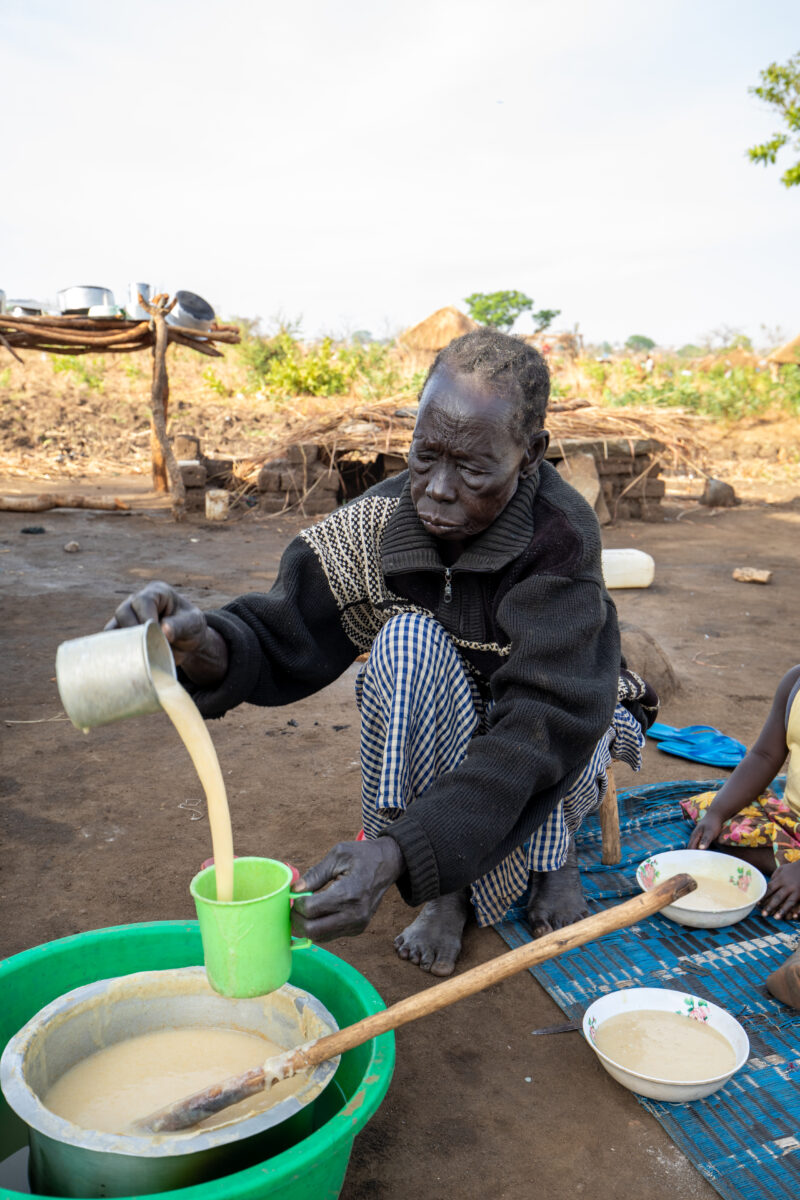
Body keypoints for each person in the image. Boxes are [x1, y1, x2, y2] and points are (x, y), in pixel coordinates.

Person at [107, 329, 656, 976]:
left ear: (530, 454)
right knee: (403, 642)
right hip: (454, 714)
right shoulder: (380, 524)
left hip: (553, 714)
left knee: (577, 717)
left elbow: (539, 730)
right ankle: (447, 890)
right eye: (426, 456)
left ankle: (549, 853)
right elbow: (290, 623)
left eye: (474, 469)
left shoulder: (559, 539)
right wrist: (210, 643)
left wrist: (402, 852)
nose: (439, 489)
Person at [684, 664, 800, 1007]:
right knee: (718, 823)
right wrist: (717, 814)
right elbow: (765, 756)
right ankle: (789, 877)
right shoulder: (794, 683)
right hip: (792, 821)